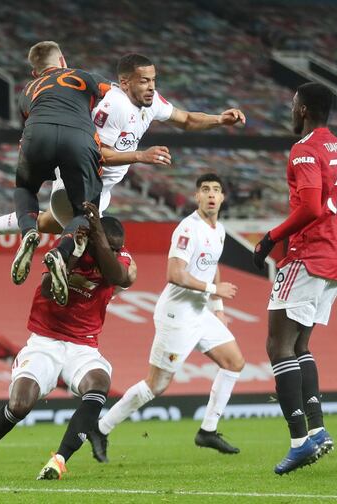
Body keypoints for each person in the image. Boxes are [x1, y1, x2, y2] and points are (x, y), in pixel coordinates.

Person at [0, 53, 245, 253]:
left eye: (153, 79)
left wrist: (220, 119)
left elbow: (186, 119)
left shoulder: (152, 101)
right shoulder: (113, 106)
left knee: (50, 223)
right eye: (144, 81)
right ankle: (57, 270)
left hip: (101, 188)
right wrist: (139, 156)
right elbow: (96, 154)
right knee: (99, 249)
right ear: (125, 82)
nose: (151, 86)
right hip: (79, 181)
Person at [0, 202, 136, 480]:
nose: (119, 253)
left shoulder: (117, 256)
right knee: (20, 405)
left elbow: (120, 276)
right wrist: (72, 260)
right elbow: (47, 288)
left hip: (84, 346)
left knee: (99, 385)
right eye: (113, 248)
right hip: (45, 340)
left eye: (119, 249)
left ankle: (58, 461)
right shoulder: (70, 245)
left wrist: (100, 238)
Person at [90, 173, 245, 462]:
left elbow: (212, 267)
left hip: (201, 312)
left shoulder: (220, 230)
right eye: (205, 190)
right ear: (196, 196)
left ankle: (208, 431)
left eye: (216, 190)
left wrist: (219, 308)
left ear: (223, 197)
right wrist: (214, 289)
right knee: (156, 386)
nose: (211, 194)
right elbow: (174, 275)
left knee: (234, 362)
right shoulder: (188, 229)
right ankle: (101, 428)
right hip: (177, 315)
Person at [252, 82, 337, 475]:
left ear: (304, 110)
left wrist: (272, 236)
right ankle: (317, 430)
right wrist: (330, 231)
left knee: (277, 345)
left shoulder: (305, 149)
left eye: (294, 104)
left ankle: (299, 441)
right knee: (300, 344)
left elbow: (312, 204)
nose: (292, 110)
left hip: (309, 255)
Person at [10, 40, 114, 307]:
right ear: (63, 61)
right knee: (85, 211)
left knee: (25, 188)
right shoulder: (82, 76)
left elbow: (29, 114)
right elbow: (114, 95)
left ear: (35, 72)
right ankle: (60, 251)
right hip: (78, 137)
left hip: (37, 133)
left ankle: (28, 232)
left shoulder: (27, 90)